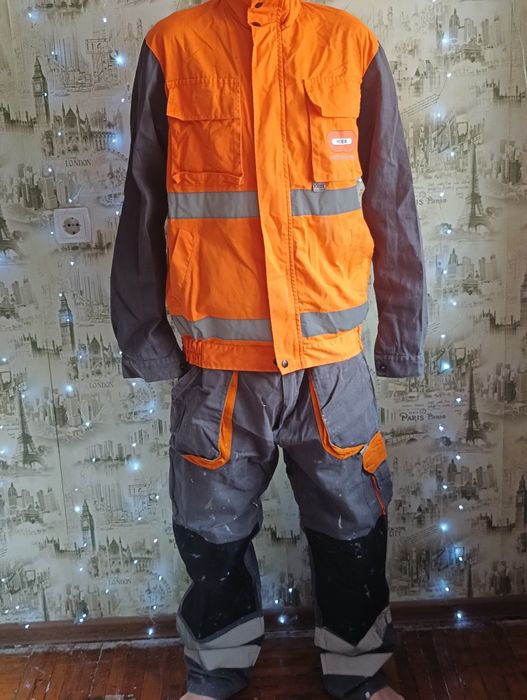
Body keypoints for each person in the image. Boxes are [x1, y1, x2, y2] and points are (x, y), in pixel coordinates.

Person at [110, 0, 427, 698]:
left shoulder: (349, 45)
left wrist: (401, 334)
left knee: (353, 529)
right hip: (218, 372)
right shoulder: (172, 47)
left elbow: (390, 195)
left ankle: (359, 676)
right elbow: (144, 201)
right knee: (210, 535)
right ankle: (216, 673)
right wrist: (146, 338)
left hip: (331, 369)